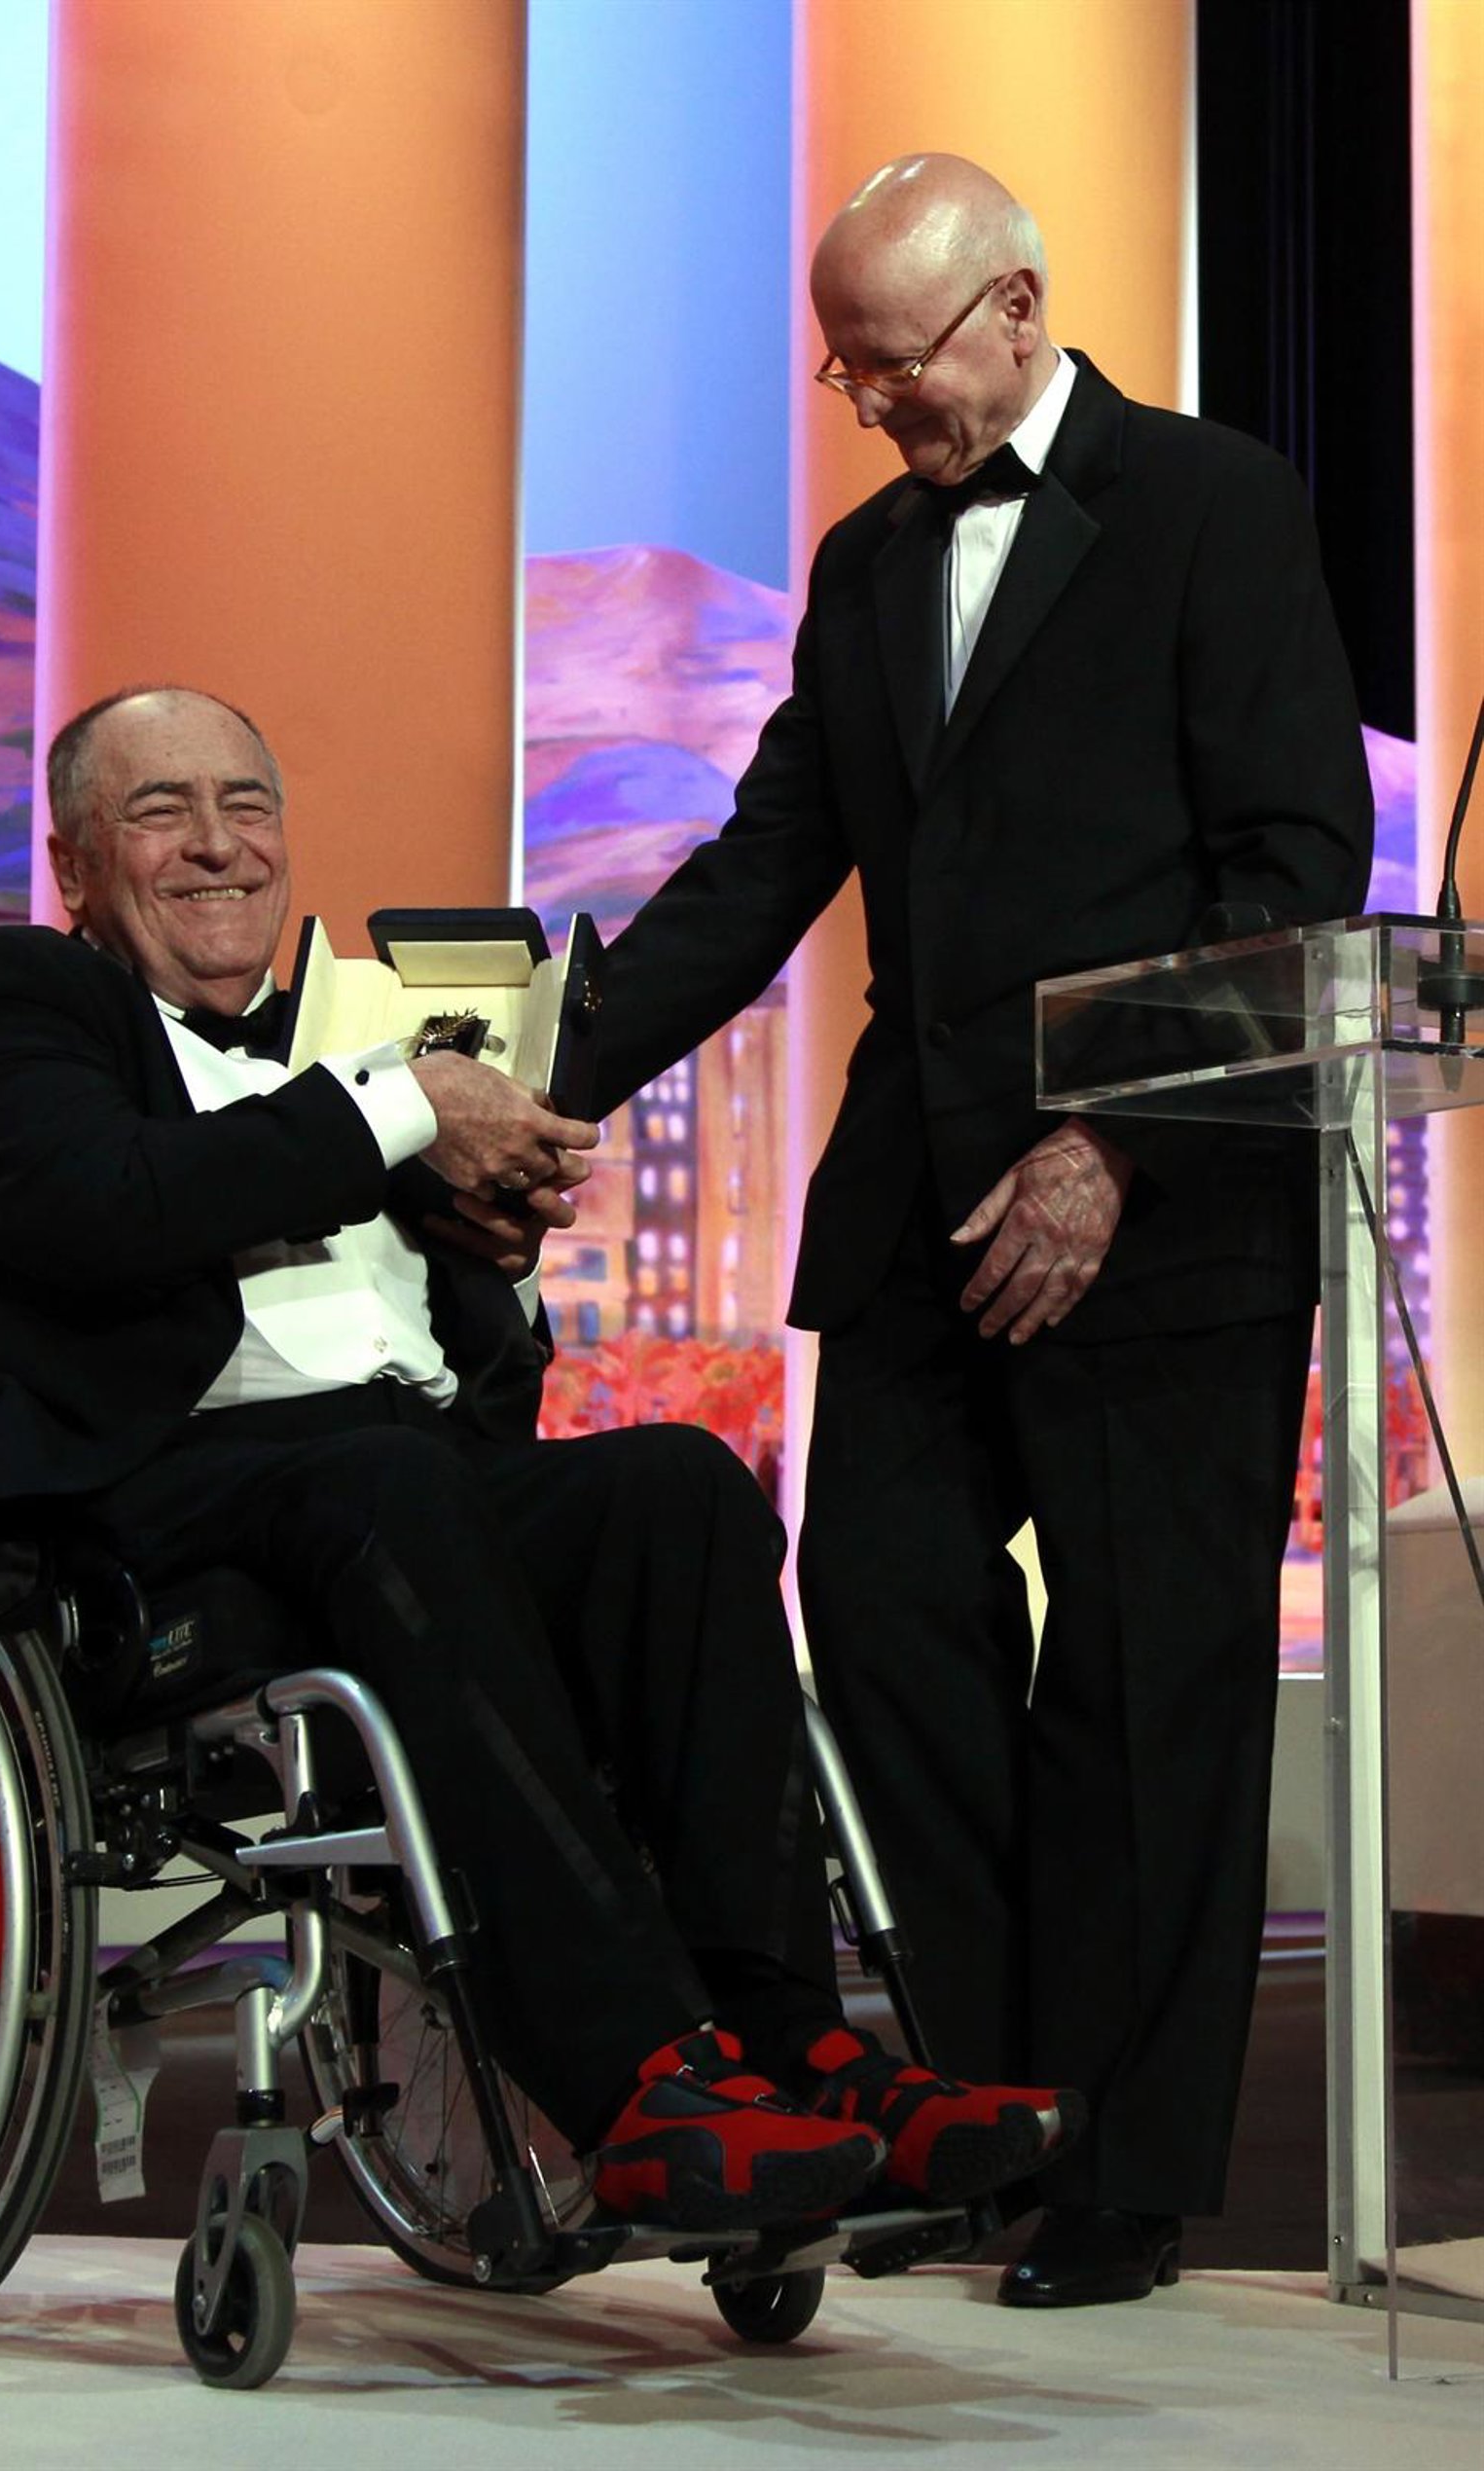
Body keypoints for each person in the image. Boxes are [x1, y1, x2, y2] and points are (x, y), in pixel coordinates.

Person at [0, 680, 1079, 2240]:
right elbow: (99, 1202)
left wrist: (496, 1242)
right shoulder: (5, 998)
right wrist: (396, 1108)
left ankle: (793, 2043)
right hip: (162, 1503)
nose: (217, 845)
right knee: (391, 1486)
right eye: (159, 811)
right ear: (74, 864)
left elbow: (474, 1355)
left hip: (405, 1478)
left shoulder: (360, 1038)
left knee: (677, 1487)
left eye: (247, 805)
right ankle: (632, 2083)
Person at [592, 156, 1373, 2303]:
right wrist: (546, 1079)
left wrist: (1108, 1146)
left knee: (1146, 1693)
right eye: (841, 372)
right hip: (918, 1209)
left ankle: (1121, 2171)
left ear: (1018, 307)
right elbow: (764, 871)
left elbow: (1292, 866)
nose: (871, 405)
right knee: (882, 1622)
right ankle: (995, 2107)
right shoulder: (863, 566)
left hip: (1165, 1208)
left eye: (896, 361)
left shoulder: (1213, 506)